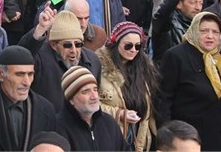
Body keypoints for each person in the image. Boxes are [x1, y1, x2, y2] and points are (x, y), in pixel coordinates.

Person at [158, 12, 221, 151]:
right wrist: (170, 138)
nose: (210, 36)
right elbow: (163, 100)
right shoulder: (176, 56)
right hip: (192, 139)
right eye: (204, 31)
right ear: (194, 31)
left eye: (215, 32)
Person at [19, 10, 102, 112]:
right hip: (49, 123)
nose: (73, 50)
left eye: (78, 44)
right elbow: (20, 57)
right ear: (54, 45)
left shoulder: (93, 61)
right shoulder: (40, 57)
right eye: (67, 45)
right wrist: (40, 29)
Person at [96, 22, 159, 151]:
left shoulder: (144, 68)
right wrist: (118, 113)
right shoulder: (99, 67)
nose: (133, 50)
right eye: (128, 45)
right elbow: (91, 104)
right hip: (112, 134)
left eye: (138, 46)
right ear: (115, 43)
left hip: (138, 134)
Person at [56, 66, 129, 151]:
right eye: (85, 92)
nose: (94, 96)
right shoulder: (59, 128)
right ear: (71, 100)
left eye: (95, 89)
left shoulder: (109, 123)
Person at [151, 0, 203, 64]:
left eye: (200, 3)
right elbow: (163, 12)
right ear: (179, 4)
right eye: (193, 2)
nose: (198, 7)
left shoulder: (200, 26)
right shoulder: (167, 24)